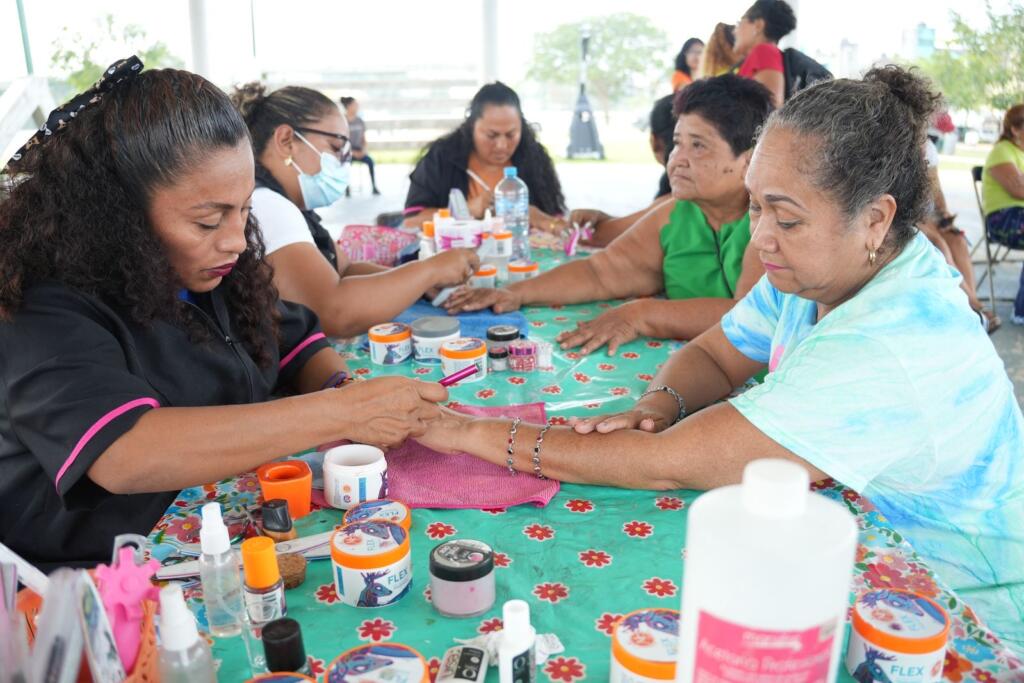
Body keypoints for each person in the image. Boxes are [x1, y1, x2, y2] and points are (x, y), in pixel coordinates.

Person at [422, 66, 1024, 650]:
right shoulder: (831, 268)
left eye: (785, 217)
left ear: (875, 218)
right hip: (869, 557)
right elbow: (716, 351)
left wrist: (470, 431)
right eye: (757, 207)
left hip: (954, 609)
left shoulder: (887, 340)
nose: (761, 239)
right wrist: (658, 405)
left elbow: (669, 463)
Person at [0, 59, 445, 569]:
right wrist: (344, 413)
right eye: (208, 220)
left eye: (244, 211)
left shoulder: (209, 267)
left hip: (216, 530)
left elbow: (294, 336)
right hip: (96, 578)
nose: (236, 240)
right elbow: (124, 454)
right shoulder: (39, 306)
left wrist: (343, 390)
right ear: (118, 213)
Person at [446, 75, 773, 356]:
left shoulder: (771, 223)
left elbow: (748, 315)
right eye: (677, 143)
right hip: (695, 364)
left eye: (698, 146)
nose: (677, 159)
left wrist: (641, 315)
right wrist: (515, 293)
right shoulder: (677, 213)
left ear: (750, 159)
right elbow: (601, 273)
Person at [232, 83, 479, 337]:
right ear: (286, 141)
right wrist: (429, 271)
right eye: (337, 148)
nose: (342, 164)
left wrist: (422, 284)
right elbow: (334, 312)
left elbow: (346, 269)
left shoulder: (294, 207)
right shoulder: (266, 206)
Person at [404, 82, 566, 231]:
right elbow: (411, 222)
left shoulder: (533, 157)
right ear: (471, 127)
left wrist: (540, 218)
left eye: (511, 134)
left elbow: (557, 222)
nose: (502, 145)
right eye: (491, 135)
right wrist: (465, 210)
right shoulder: (442, 158)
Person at [569, 94, 676, 247]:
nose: (681, 156)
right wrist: (606, 219)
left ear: (653, 141)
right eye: (677, 142)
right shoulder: (674, 195)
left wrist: (545, 221)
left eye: (697, 145)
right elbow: (639, 227)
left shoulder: (685, 201)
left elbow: (601, 236)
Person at [917, 138, 999, 331]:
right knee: (939, 244)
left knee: (957, 239)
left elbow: (936, 190)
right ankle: (973, 307)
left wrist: (944, 214)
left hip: (927, 217)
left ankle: (973, 305)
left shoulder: (927, 148)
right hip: (904, 218)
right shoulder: (891, 141)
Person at [981, 103, 1024, 324]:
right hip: (1005, 220)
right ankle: (1022, 311)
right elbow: (1018, 189)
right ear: (1015, 129)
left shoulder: (1019, 153)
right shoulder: (1002, 151)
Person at [733, 0, 797, 107]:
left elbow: (771, 107)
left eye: (739, 22)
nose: (734, 31)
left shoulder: (765, 52)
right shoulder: (762, 53)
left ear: (758, 25)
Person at [340, 96, 380, 195]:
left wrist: (364, 150)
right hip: (347, 151)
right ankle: (347, 189)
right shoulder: (342, 121)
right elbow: (341, 142)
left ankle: (374, 187)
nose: (357, 107)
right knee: (345, 164)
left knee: (370, 161)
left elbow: (363, 139)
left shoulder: (360, 121)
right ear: (348, 106)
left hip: (360, 150)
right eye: (355, 105)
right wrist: (352, 153)